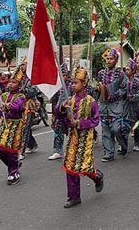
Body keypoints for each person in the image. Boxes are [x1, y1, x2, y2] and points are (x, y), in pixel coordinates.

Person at [56, 67, 103, 208]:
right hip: (72, 137)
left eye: (75, 82)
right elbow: (59, 116)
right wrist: (62, 109)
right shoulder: (69, 100)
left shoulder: (91, 102)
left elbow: (95, 120)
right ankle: (74, 196)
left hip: (85, 138)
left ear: (84, 84)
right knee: (70, 165)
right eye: (72, 82)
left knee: (84, 166)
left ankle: (98, 176)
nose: (72, 85)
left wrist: (80, 123)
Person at [0, 68, 26, 185]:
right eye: (10, 81)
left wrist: (7, 105)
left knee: (11, 149)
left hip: (16, 125)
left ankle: (13, 172)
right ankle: (14, 165)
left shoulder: (21, 96)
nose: (10, 84)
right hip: (5, 124)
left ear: (19, 85)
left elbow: (17, 107)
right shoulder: (4, 95)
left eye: (14, 82)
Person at [96, 48, 127, 162]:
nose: (108, 61)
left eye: (111, 59)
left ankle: (123, 144)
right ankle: (109, 153)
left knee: (116, 129)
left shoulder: (120, 73)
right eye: (107, 59)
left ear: (116, 60)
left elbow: (124, 89)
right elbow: (99, 89)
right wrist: (98, 90)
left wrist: (113, 96)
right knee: (105, 130)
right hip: (104, 107)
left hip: (116, 105)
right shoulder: (101, 73)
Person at [48, 62, 72, 160]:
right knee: (57, 131)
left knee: (71, 132)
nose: (63, 77)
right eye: (61, 75)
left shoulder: (71, 85)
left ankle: (72, 150)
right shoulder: (56, 87)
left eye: (65, 75)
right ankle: (58, 151)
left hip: (68, 114)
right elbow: (54, 100)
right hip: (58, 113)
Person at [19, 58, 40, 160]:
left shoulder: (32, 77)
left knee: (25, 128)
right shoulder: (20, 77)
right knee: (22, 127)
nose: (21, 66)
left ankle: (21, 151)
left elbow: (33, 92)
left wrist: (22, 90)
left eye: (24, 64)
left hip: (29, 106)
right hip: (20, 106)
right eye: (21, 65)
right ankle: (32, 144)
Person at [123, 58, 139, 154]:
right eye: (125, 69)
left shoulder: (138, 82)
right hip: (125, 107)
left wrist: (131, 97)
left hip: (135, 107)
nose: (126, 71)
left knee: (136, 126)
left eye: (128, 69)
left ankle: (137, 143)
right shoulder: (123, 81)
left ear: (133, 70)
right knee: (124, 125)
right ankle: (123, 144)